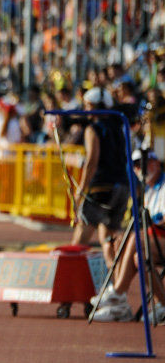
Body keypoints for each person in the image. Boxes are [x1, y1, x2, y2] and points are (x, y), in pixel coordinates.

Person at [91, 149, 165, 322]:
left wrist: (151, 224)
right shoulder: (148, 191)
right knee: (122, 246)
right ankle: (121, 306)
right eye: (137, 166)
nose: (140, 169)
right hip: (155, 239)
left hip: (160, 238)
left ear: (155, 163)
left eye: (143, 164)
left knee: (135, 239)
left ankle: (118, 292)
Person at [70, 87, 130, 267]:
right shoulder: (120, 126)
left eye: (88, 106)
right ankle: (115, 283)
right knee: (109, 237)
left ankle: (71, 279)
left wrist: (81, 190)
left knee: (81, 236)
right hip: (122, 185)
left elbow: (92, 160)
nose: (86, 110)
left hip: (101, 187)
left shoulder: (93, 129)